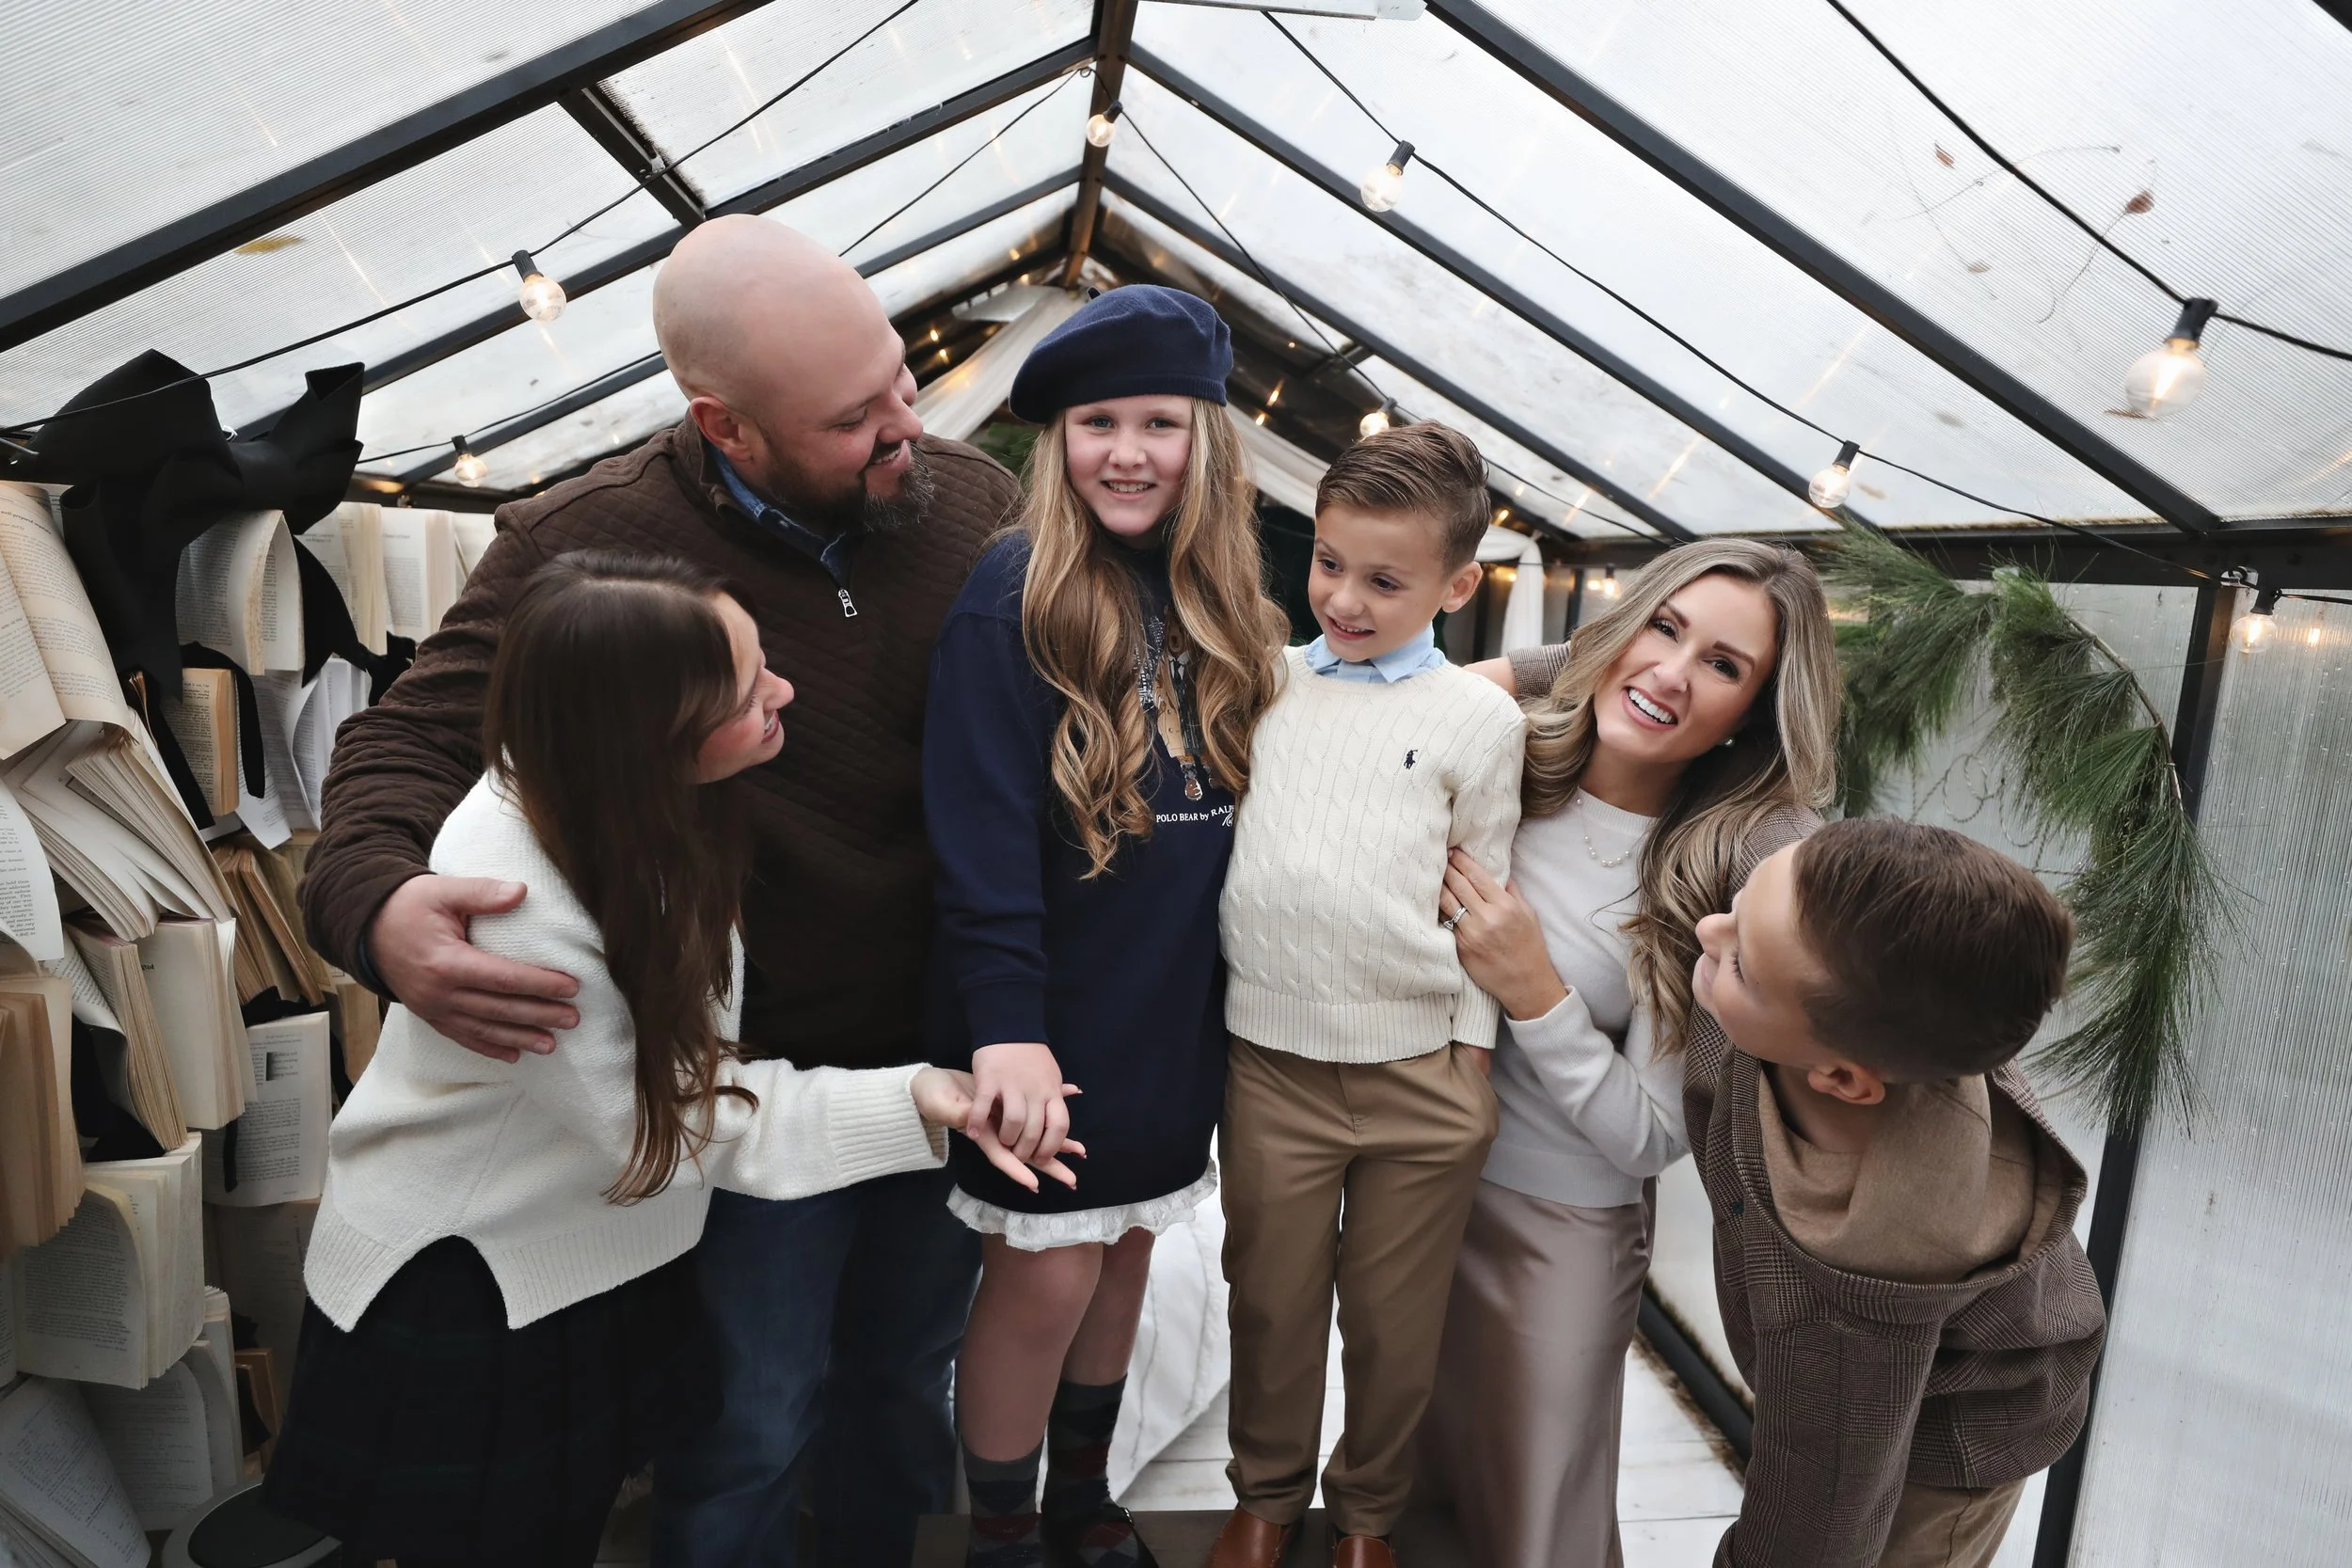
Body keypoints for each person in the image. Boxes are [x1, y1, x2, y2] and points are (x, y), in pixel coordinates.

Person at [296, 216, 1024, 1568]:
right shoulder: (594, 541)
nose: (904, 426)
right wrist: (380, 907)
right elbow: (408, 736)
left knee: (898, 1399)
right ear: (727, 426)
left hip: (939, 1044)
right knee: (751, 1418)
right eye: (854, 414)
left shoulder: (979, 509)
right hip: (734, 1079)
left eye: (901, 381)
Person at [264, 553, 1066, 1568]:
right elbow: (677, 1121)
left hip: (574, 1259)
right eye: (745, 689)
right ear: (649, 730)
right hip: (474, 1279)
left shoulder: (623, 810)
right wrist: (922, 1096)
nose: (784, 690)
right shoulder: (517, 907)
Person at [924, 284, 1289, 1568]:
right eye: (1095, 423)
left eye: (1157, 421)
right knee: (1046, 1276)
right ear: (1055, 442)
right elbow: (974, 841)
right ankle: (1006, 1534)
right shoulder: (1015, 592)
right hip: (1054, 1018)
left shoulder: (1225, 602)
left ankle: (1085, 1500)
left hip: (1168, 1015)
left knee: (1128, 1251)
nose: (1126, 452)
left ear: (1210, 441)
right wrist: (1006, 1031)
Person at [1420, 540, 1840, 1568]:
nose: (1670, 672)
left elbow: (1653, 1136)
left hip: (1552, 1235)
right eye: (1662, 626)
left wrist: (1535, 990)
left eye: (1723, 665)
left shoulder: (1709, 875)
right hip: (1413, 1198)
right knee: (1414, 1499)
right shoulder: (1497, 756)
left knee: (1534, 1524)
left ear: (1750, 711)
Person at [1210, 422, 1524, 1568]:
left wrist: (1471, 1052)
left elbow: (1484, 884)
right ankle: (1263, 1496)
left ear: (1456, 585)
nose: (1344, 596)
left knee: (1395, 1325)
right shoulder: (1264, 681)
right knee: (1270, 1299)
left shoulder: (1480, 720)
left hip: (1422, 1076)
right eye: (1329, 563)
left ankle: (1367, 1517)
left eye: (1385, 580)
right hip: (1270, 1064)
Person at [1685, 816, 2105, 1568]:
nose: (1708, 926)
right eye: (1742, 901)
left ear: (1842, 1079)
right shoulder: (1811, 935)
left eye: (1739, 963)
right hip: (1854, 1404)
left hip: (1948, 1446)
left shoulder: (1865, 1275)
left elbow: (1819, 1513)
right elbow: (1767, 811)